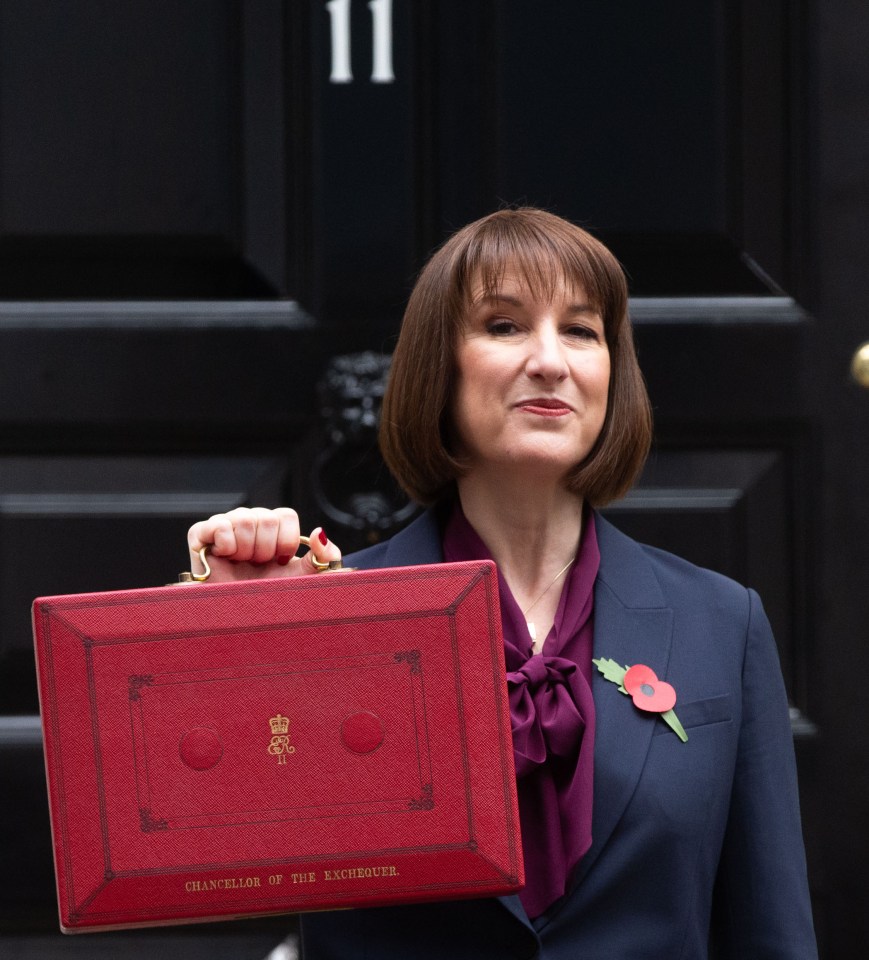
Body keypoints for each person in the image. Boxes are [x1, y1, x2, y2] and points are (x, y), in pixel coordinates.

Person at [187, 208, 818, 958]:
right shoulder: (330, 612)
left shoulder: (720, 620)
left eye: (581, 331)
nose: (550, 360)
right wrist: (222, 635)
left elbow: (770, 932)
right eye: (504, 325)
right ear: (439, 367)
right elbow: (191, 855)